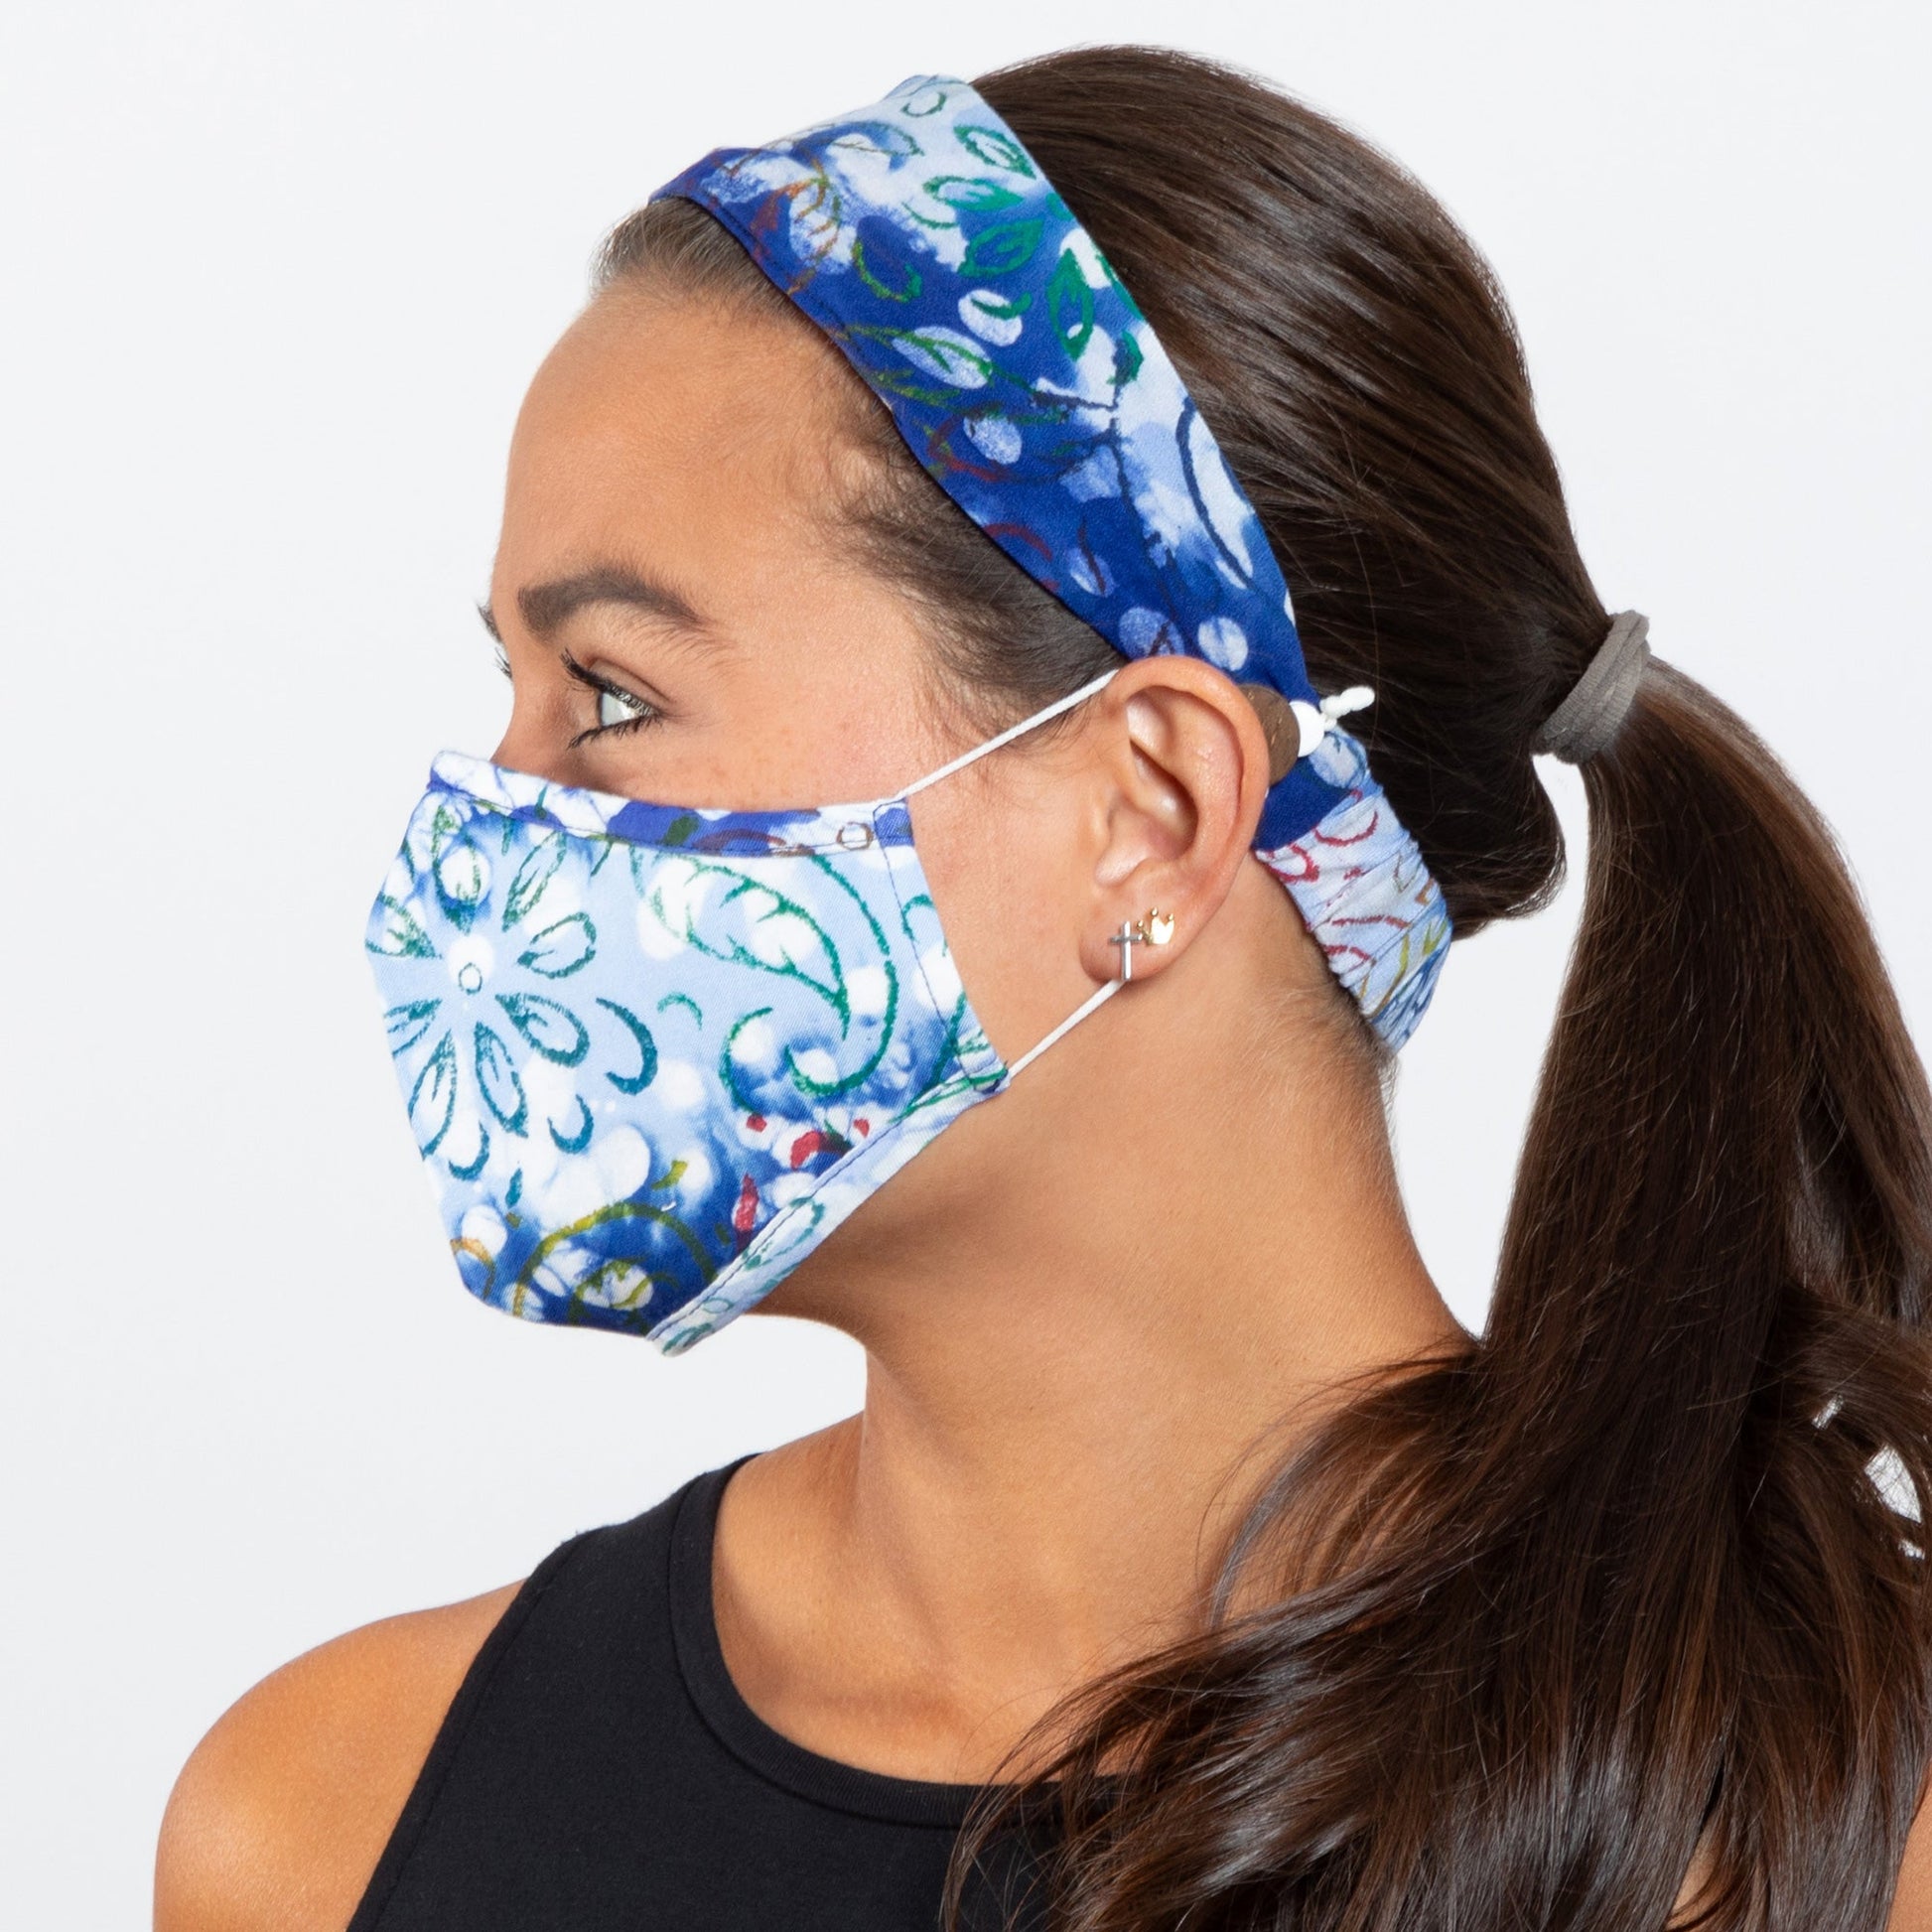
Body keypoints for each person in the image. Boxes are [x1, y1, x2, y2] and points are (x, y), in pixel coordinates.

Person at [154, 44, 1932, 1932]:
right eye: (510, 695)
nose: (484, 835)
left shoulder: (1833, 1831)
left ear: (1148, 812)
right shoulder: (326, 1826)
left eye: (608, 694)